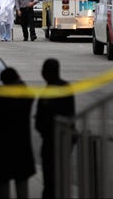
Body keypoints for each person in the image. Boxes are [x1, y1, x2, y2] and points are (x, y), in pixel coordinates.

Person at [0, 67, 35, 199]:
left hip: (2, 144)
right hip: (20, 143)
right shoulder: (24, 96)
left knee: (2, 181)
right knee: (21, 180)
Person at [35, 58, 76, 199]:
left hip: (53, 141)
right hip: (63, 139)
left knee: (51, 179)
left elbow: (40, 122)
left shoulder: (49, 92)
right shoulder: (65, 88)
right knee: (60, 176)